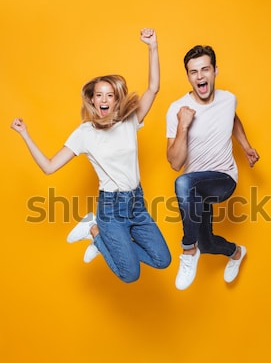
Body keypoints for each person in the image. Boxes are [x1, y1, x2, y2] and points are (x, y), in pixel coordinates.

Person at [11, 28, 171, 283]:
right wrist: (25, 134)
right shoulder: (85, 133)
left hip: (136, 203)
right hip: (110, 209)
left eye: (110, 95)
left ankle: (102, 241)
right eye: (99, 95)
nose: (104, 99)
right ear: (93, 101)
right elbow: (50, 167)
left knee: (163, 260)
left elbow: (153, 88)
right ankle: (94, 230)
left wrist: (152, 46)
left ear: (117, 100)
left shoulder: (130, 121)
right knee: (130, 275)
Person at [166, 45, 259, 290]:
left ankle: (188, 250)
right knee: (207, 243)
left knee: (183, 183)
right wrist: (183, 126)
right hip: (195, 191)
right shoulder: (177, 110)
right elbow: (175, 164)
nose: (200, 77)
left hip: (223, 178)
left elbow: (233, 118)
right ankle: (236, 252)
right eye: (193, 72)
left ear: (215, 71)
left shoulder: (228, 99)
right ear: (188, 76)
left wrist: (246, 146)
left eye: (205, 69)